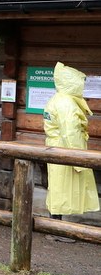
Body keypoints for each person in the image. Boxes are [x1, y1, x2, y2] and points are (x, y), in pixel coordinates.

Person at [43, 62, 100, 227]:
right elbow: (71, 132)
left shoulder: (58, 99)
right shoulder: (66, 104)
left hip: (56, 146)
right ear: (72, 82)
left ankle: (56, 225)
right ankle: (57, 228)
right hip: (64, 149)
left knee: (58, 187)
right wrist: (77, 158)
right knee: (63, 189)